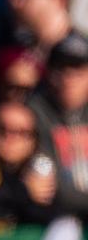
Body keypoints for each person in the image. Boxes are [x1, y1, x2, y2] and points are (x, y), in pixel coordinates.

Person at [0, 97, 58, 224]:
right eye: (2, 129)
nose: (10, 138)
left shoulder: (38, 170)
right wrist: (24, 192)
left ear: (33, 140)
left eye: (20, 132)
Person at [28, 30, 88, 218]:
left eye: (77, 69)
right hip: (56, 220)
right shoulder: (34, 113)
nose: (68, 78)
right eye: (60, 69)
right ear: (49, 73)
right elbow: (46, 186)